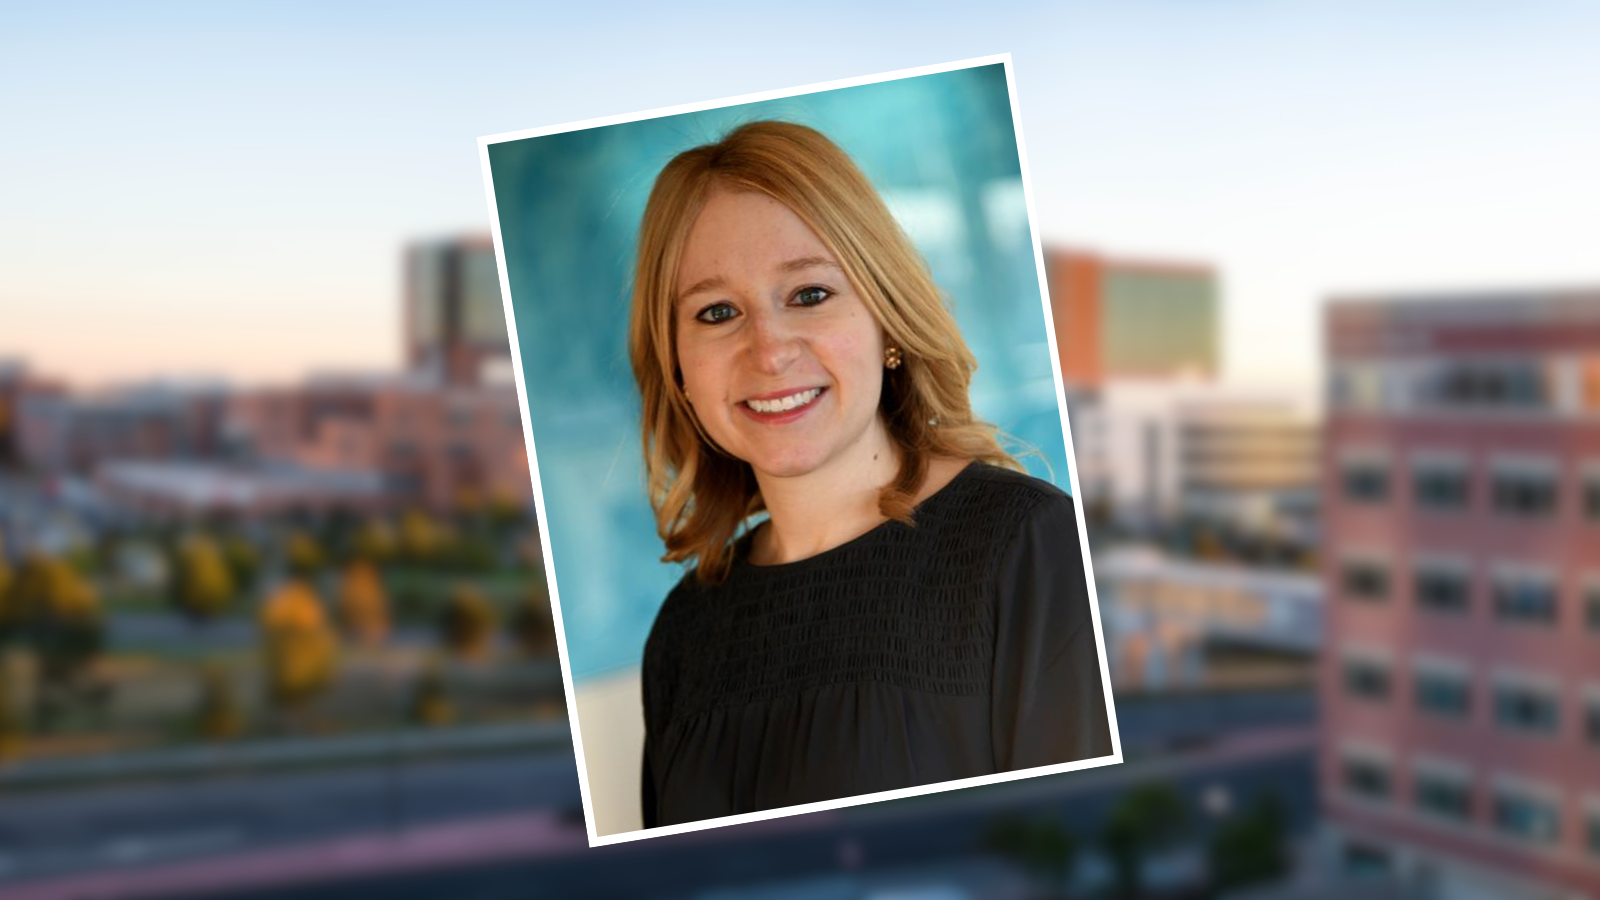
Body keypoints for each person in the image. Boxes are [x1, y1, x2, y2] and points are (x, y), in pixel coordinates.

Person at [628, 120, 1112, 828]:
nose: (769, 351)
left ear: (886, 317)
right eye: (718, 312)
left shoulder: (1029, 550)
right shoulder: (683, 634)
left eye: (810, 295)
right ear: (678, 368)